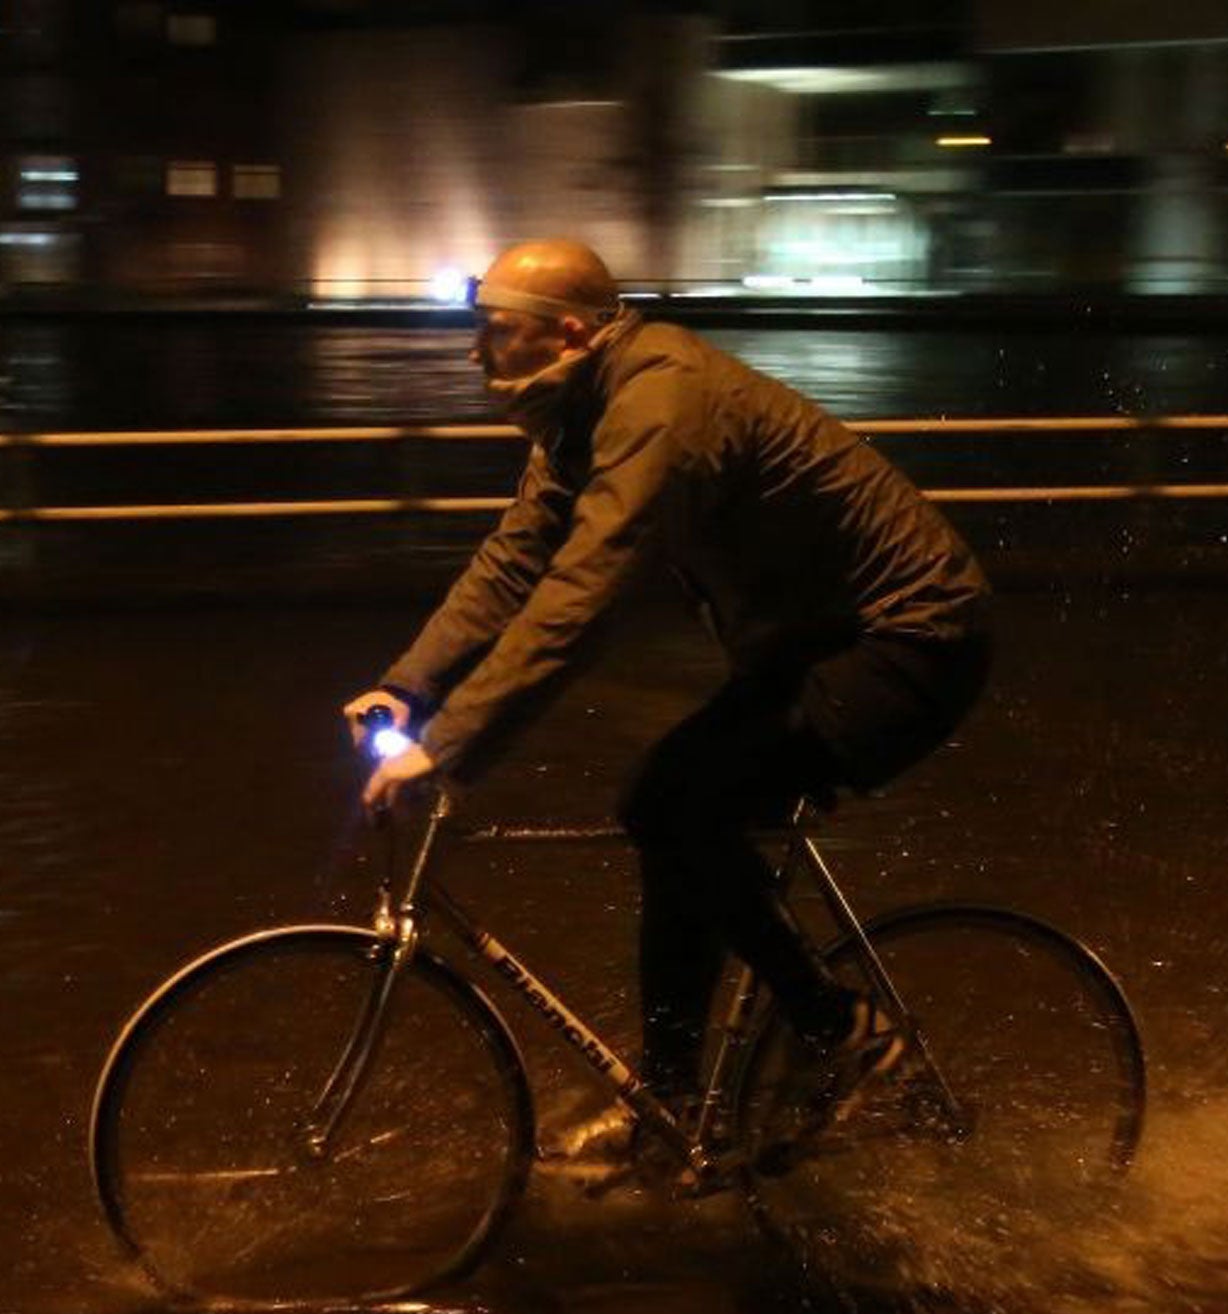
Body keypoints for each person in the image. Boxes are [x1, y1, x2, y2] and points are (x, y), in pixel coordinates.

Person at [342, 238, 990, 1167]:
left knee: (687, 805)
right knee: (663, 807)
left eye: (495, 331)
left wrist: (444, 747)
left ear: (566, 333)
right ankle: (671, 1101)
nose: (475, 353)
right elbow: (517, 559)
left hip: (912, 639)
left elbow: (580, 597)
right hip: (817, 643)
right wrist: (406, 686)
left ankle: (847, 1038)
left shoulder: (660, 402)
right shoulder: (584, 409)